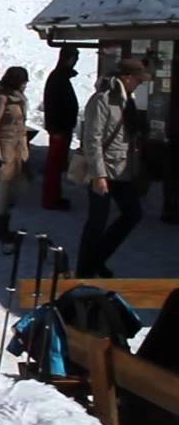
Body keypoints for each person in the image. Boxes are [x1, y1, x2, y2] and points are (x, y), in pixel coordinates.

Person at [76, 59, 150, 278]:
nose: (139, 84)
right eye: (137, 79)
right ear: (126, 78)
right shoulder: (102, 100)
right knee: (96, 222)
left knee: (133, 214)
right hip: (103, 170)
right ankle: (84, 270)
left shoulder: (129, 101)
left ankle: (97, 258)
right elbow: (92, 139)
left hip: (123, 170)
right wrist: (99, 174)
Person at [0, 66, 30, 243]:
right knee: (4, 188)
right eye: (23, 81)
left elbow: (22, 126)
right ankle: (2, 227)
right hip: (5, 148)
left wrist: (25, 149)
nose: (25, 85)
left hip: (18, 147)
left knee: (17, 187)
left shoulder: (19, 99)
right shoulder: (0, 98)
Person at [42, 46, 80, 210]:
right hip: (59, 129)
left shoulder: (60, 77)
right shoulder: (58, 78)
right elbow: (53, 105)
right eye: (74, 58)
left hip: (62, 128)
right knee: (54, 166)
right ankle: (51, 199)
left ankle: (54, 196)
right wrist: (55, 129)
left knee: (57, 165)